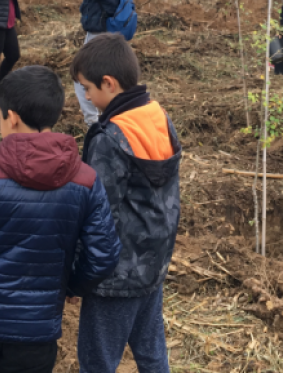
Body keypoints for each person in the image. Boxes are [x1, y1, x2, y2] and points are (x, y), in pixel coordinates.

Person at [0, 66, 121, 373]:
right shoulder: (86, 180)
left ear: (12, 116)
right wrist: (71, 286)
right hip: (36, 330)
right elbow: (104, 253)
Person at [70, 34, 181, 373]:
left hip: (114, 276)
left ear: (109, 83)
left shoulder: (110, 138)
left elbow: (98, 215)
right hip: (153, 263)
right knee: (151, 352)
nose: (86, 97)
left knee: (97, 360)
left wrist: (79, 273)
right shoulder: (158, 117)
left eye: (87, 89)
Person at [73, 0, 129, 127]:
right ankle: (114, 117)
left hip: (100, 34)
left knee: (81, 77)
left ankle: (94, 122)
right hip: (108, 32)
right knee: (111, 76)